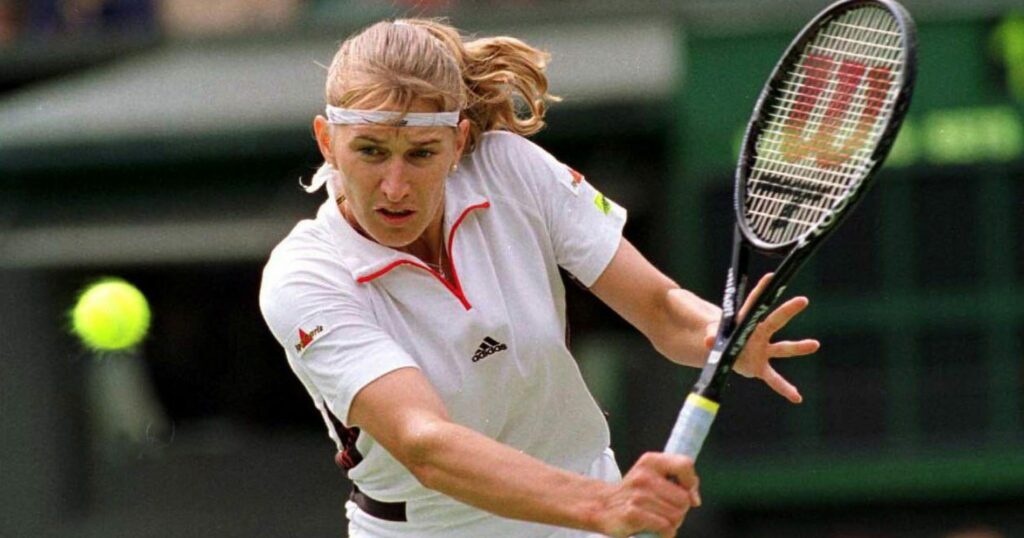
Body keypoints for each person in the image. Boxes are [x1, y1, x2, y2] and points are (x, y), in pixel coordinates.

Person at [259, 18, 819, 538]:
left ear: (457, 143)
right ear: (327, 141)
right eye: (371, 152)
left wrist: (719, 338)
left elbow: (662, 309)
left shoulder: (511, 170)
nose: (395, 186)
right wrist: (603, 505)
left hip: (581, 505)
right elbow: (424, 444)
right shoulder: (304, 276)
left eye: (422, 153)